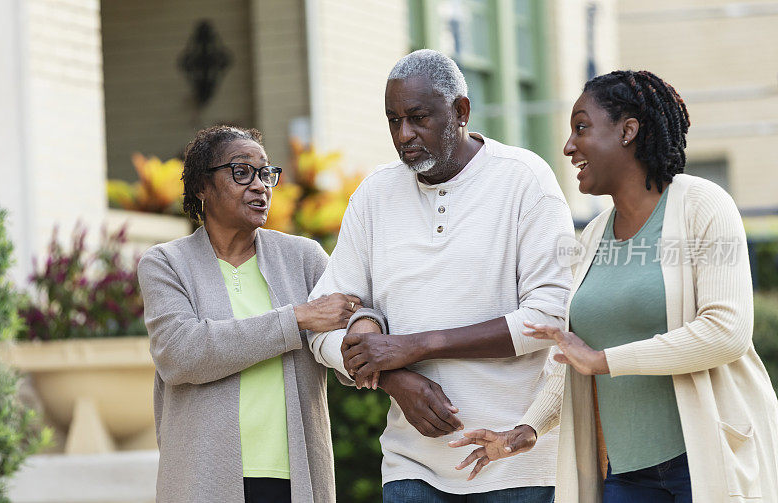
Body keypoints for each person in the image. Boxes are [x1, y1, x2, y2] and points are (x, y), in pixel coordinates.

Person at [450, 70, 778, 502]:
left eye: (581, 127)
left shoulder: (703, 205)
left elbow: (726, 332)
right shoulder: (591, 237)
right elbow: (573, 355)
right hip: (625, 475)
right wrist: (527, 428)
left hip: (702, 461)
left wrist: (605, 360)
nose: (568, 146)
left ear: (628, 131)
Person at [307, 49, 574, 502]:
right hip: (412, 469)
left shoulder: (525, 180)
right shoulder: (375, 194)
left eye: (418, 118)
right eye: (393, 120)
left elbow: (551, 315)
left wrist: (418, 345)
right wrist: (393, 378)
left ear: (461, 111)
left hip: (518, 468)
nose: (404, 134)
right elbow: (323, 324)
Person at [137, 126, 362, 502]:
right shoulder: (167, 264)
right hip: (203, 479)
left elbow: (347, 329)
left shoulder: (304, 259)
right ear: (201, 187)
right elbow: (181, 354)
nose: (260, 186)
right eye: (241, 172)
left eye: (266, 173)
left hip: (294, 479)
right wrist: (297, 319)